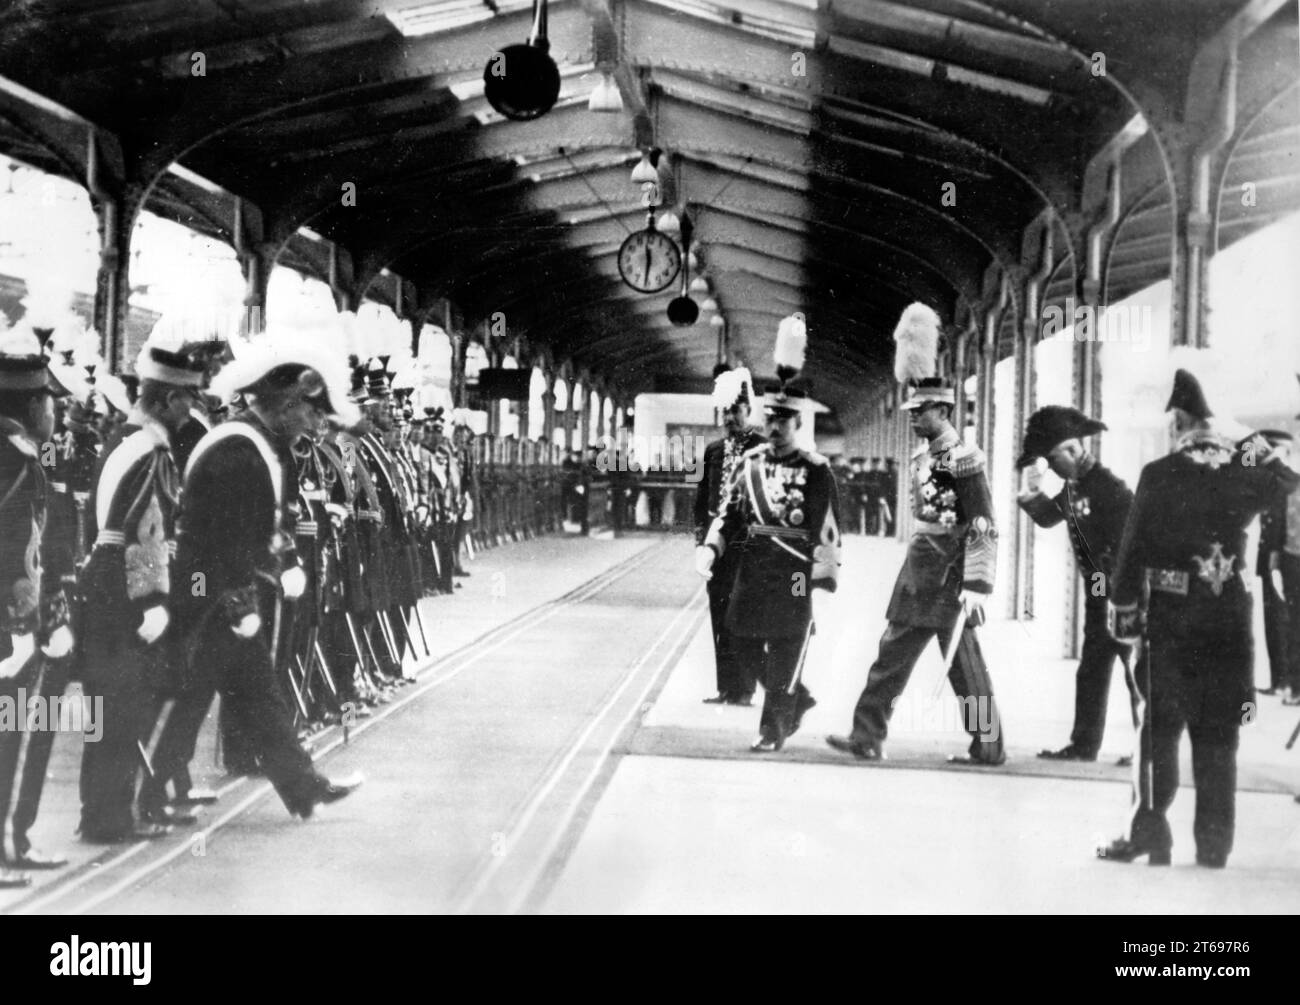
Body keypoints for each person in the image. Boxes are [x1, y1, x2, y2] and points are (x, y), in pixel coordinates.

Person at [1098, 368, 1300, 868]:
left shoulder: (1159, 473)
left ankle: (1150, 834)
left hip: (1172, 621)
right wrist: (1248, 443)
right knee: (1221, 734)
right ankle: (1214, 845)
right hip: (1229, 621)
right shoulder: (1244, 471)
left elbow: (1131, 550)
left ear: (1180, 421)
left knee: (1158, 731)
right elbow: (1291, 481)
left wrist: (1124, 612)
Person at [162, 334, 364, 819]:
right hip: (208, 595)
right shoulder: (238, 449)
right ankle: (152, 790)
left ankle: (303, 789)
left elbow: (270, 523)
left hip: (224, 594)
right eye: (311, 413)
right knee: (193, 697)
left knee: (254, 695)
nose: (315, 425)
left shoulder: (262, 444)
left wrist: (284, 563)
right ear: (288, 404)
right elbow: (223, 538)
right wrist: (240, 605)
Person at [827, 303, 1003, 765]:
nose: (912, 417)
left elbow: (983, 522)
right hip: (918, 572)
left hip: (950, 578)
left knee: (965, 667)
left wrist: (978, 583)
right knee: (890, 656)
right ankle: (866, 735)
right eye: (911, 410)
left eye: (920, 410)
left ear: (942, 409)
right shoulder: (923, 457)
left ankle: (989, 746)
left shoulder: (965, 459)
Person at [78, 332, 209, 841]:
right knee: (125, 705)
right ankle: (109, 819)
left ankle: (100, 813)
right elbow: (146, 530)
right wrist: (154, 601)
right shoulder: (152, 448)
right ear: (170, 398)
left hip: (102, 584)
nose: (192, 408)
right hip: (128, 594)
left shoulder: (120, 438)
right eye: (188, 398)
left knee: (105, 709)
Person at [697, 382, 839, 750]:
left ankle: (772, 730)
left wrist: (821, 579)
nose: (776, 427)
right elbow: (729, 513)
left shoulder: (815, 468)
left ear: (797, 423)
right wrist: (711, 547)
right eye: (771, 419)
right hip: (754, 566)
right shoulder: (751, 463)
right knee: (738, 637)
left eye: (784, 421)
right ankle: (797, 698)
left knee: (787, 642)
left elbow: (827, 527)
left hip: (795, 572)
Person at [1016, 406, 1141, 763]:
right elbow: (1048, 517)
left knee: (1135, 670)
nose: (1052, 468)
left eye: (1054, 460)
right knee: (1092, 670)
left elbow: (1131, 545)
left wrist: (1119, 594)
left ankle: (1148, 749)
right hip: (1099, 592)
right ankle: (1085, 745)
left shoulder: (1109, 488)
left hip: (1124, 594)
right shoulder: (1074, 488)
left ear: (1073, 450)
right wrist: (1030, 491)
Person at [0, 328, 74, 886]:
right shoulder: (19, 458)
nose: (56, 412)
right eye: (50, 402)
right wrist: (25, 626)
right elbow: (17, 547)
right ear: (31, 406)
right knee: (13, 734)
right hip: (9, 631)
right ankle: (10, 843)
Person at [694, 365, 766, 706]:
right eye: (724, 412)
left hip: (749, 546)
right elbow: (701, 500)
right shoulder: (713, 451)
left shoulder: (763, 449)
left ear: (748, 410)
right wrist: (701, 544)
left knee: (746, 615)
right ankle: (726, 687)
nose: (729, 418)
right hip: (716, 545)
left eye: (735, 410)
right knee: (719, 612)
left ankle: (745, 688)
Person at [1255, 429, 1299, 703]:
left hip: (1285, 562)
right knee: (1273, 621)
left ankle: (1288, 682)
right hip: (1269, 561)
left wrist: (1274, 560)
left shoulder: (1289, 482)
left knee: (1285, 622)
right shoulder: (1269, 482)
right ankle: (1279, 679)